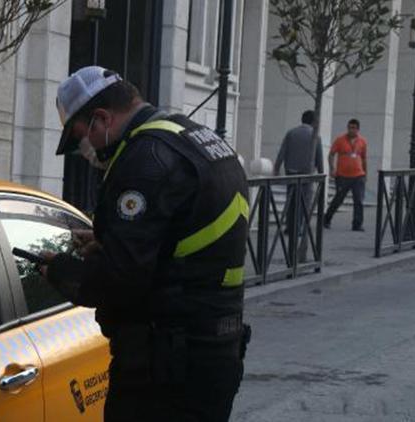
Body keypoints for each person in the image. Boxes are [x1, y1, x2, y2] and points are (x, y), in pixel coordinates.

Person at [40, 66, 250, 421]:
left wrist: (60, 271)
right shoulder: (195, 138)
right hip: (214, 350)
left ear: (102, 118)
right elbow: (185, 231)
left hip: (165, 370)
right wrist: (112, 238)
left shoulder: (144, 159)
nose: (84, 149)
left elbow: (121, 281)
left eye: (81, 137)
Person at [273, 110, 324, 262]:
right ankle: (299, 227)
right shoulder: (315, 136)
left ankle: (290, 226)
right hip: (307, 175)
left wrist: (277, 168)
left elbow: (283, 151)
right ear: (314, 121)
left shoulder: (291, 133)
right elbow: (319, 156)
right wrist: (321, 173)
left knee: (291, 201)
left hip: (291, 172)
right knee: (304, 203)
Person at [323, 118, 367, 231]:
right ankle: (327, 219)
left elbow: (364, 158)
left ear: (358, 129)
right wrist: (332, 168)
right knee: (338, 199)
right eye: (349, 127)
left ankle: (357, 224)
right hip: (342, 176)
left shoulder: (362, 141)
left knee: (359, 200)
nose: (351, 130)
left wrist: (365, 173)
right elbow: (331, 154)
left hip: (358, 176)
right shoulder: (340, 140)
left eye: (353, 128)